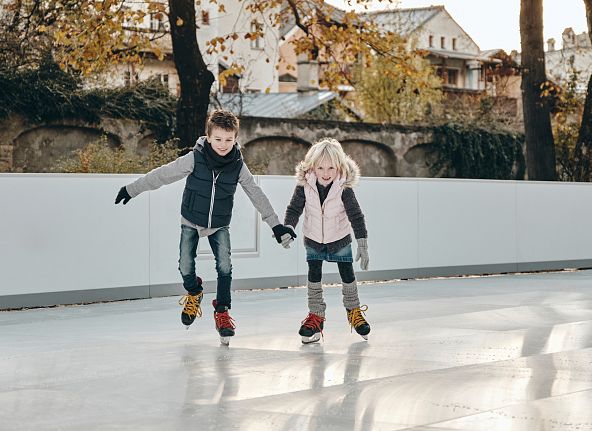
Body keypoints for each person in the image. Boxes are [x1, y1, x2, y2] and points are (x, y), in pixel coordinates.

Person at [115, 110, 296, 345]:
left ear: (235, 139)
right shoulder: (194, 158)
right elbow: (163, 175)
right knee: (185, 264)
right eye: (218, 139)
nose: (223, 145)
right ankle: (194, 291)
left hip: (219, 224)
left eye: (229, 140)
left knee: (225, 266)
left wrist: (276, 225)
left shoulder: (238, 166)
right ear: (208, 137)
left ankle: (222, 311)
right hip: (191, 218)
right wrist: (132, 189)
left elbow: (255, 193)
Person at [283, 138, 370, 344]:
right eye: (320, 167)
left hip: (339, 239)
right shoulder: (305, 185)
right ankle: (316, 317)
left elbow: (356, 216)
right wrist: (288, 228)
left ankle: (353, 310)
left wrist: (362, 243)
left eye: (331, 167)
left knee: (347, 275)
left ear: (339, 166)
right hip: (313, 238)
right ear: (312, 166)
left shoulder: (344, 187)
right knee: (314, 276)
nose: (326, 172)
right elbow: (294, 209)